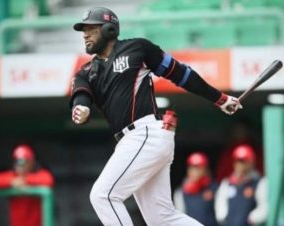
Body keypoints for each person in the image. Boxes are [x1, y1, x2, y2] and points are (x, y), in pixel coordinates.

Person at [70, 7, 242, 226]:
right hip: (135, 141)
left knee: (103, 196)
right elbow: (81, 94)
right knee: (161, 218)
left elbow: (182, 75)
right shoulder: (86, 71)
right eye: (83, 30)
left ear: (109, 29)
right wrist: (81, 107)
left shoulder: (137, 48)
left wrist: (220, 98)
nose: (85, 34)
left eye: (91, 28)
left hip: (145, 133)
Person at [0, 144, 54, 226]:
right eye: (18, 162)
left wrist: (25, 180)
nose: (20, 166)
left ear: (31, 162)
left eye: (24, 162)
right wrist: (11, 181)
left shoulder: (38, 175)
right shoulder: (12, 176)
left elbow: (48, 179)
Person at [215, 145, 267, 226]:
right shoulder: (227, 183)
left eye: (243, 161)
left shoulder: (259, 182)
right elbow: (221, 205)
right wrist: (223, 217)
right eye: (237, 161)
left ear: (251, 162)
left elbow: (264, 207)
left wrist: (253, 218)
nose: (239, 164)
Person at [174, 152, 219, 226]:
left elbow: (220, 213)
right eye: (192, 167)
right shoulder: (181, 191)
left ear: (205, 169)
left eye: (198, 168)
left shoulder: (214, 188)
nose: (195, 171)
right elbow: (180, 216)